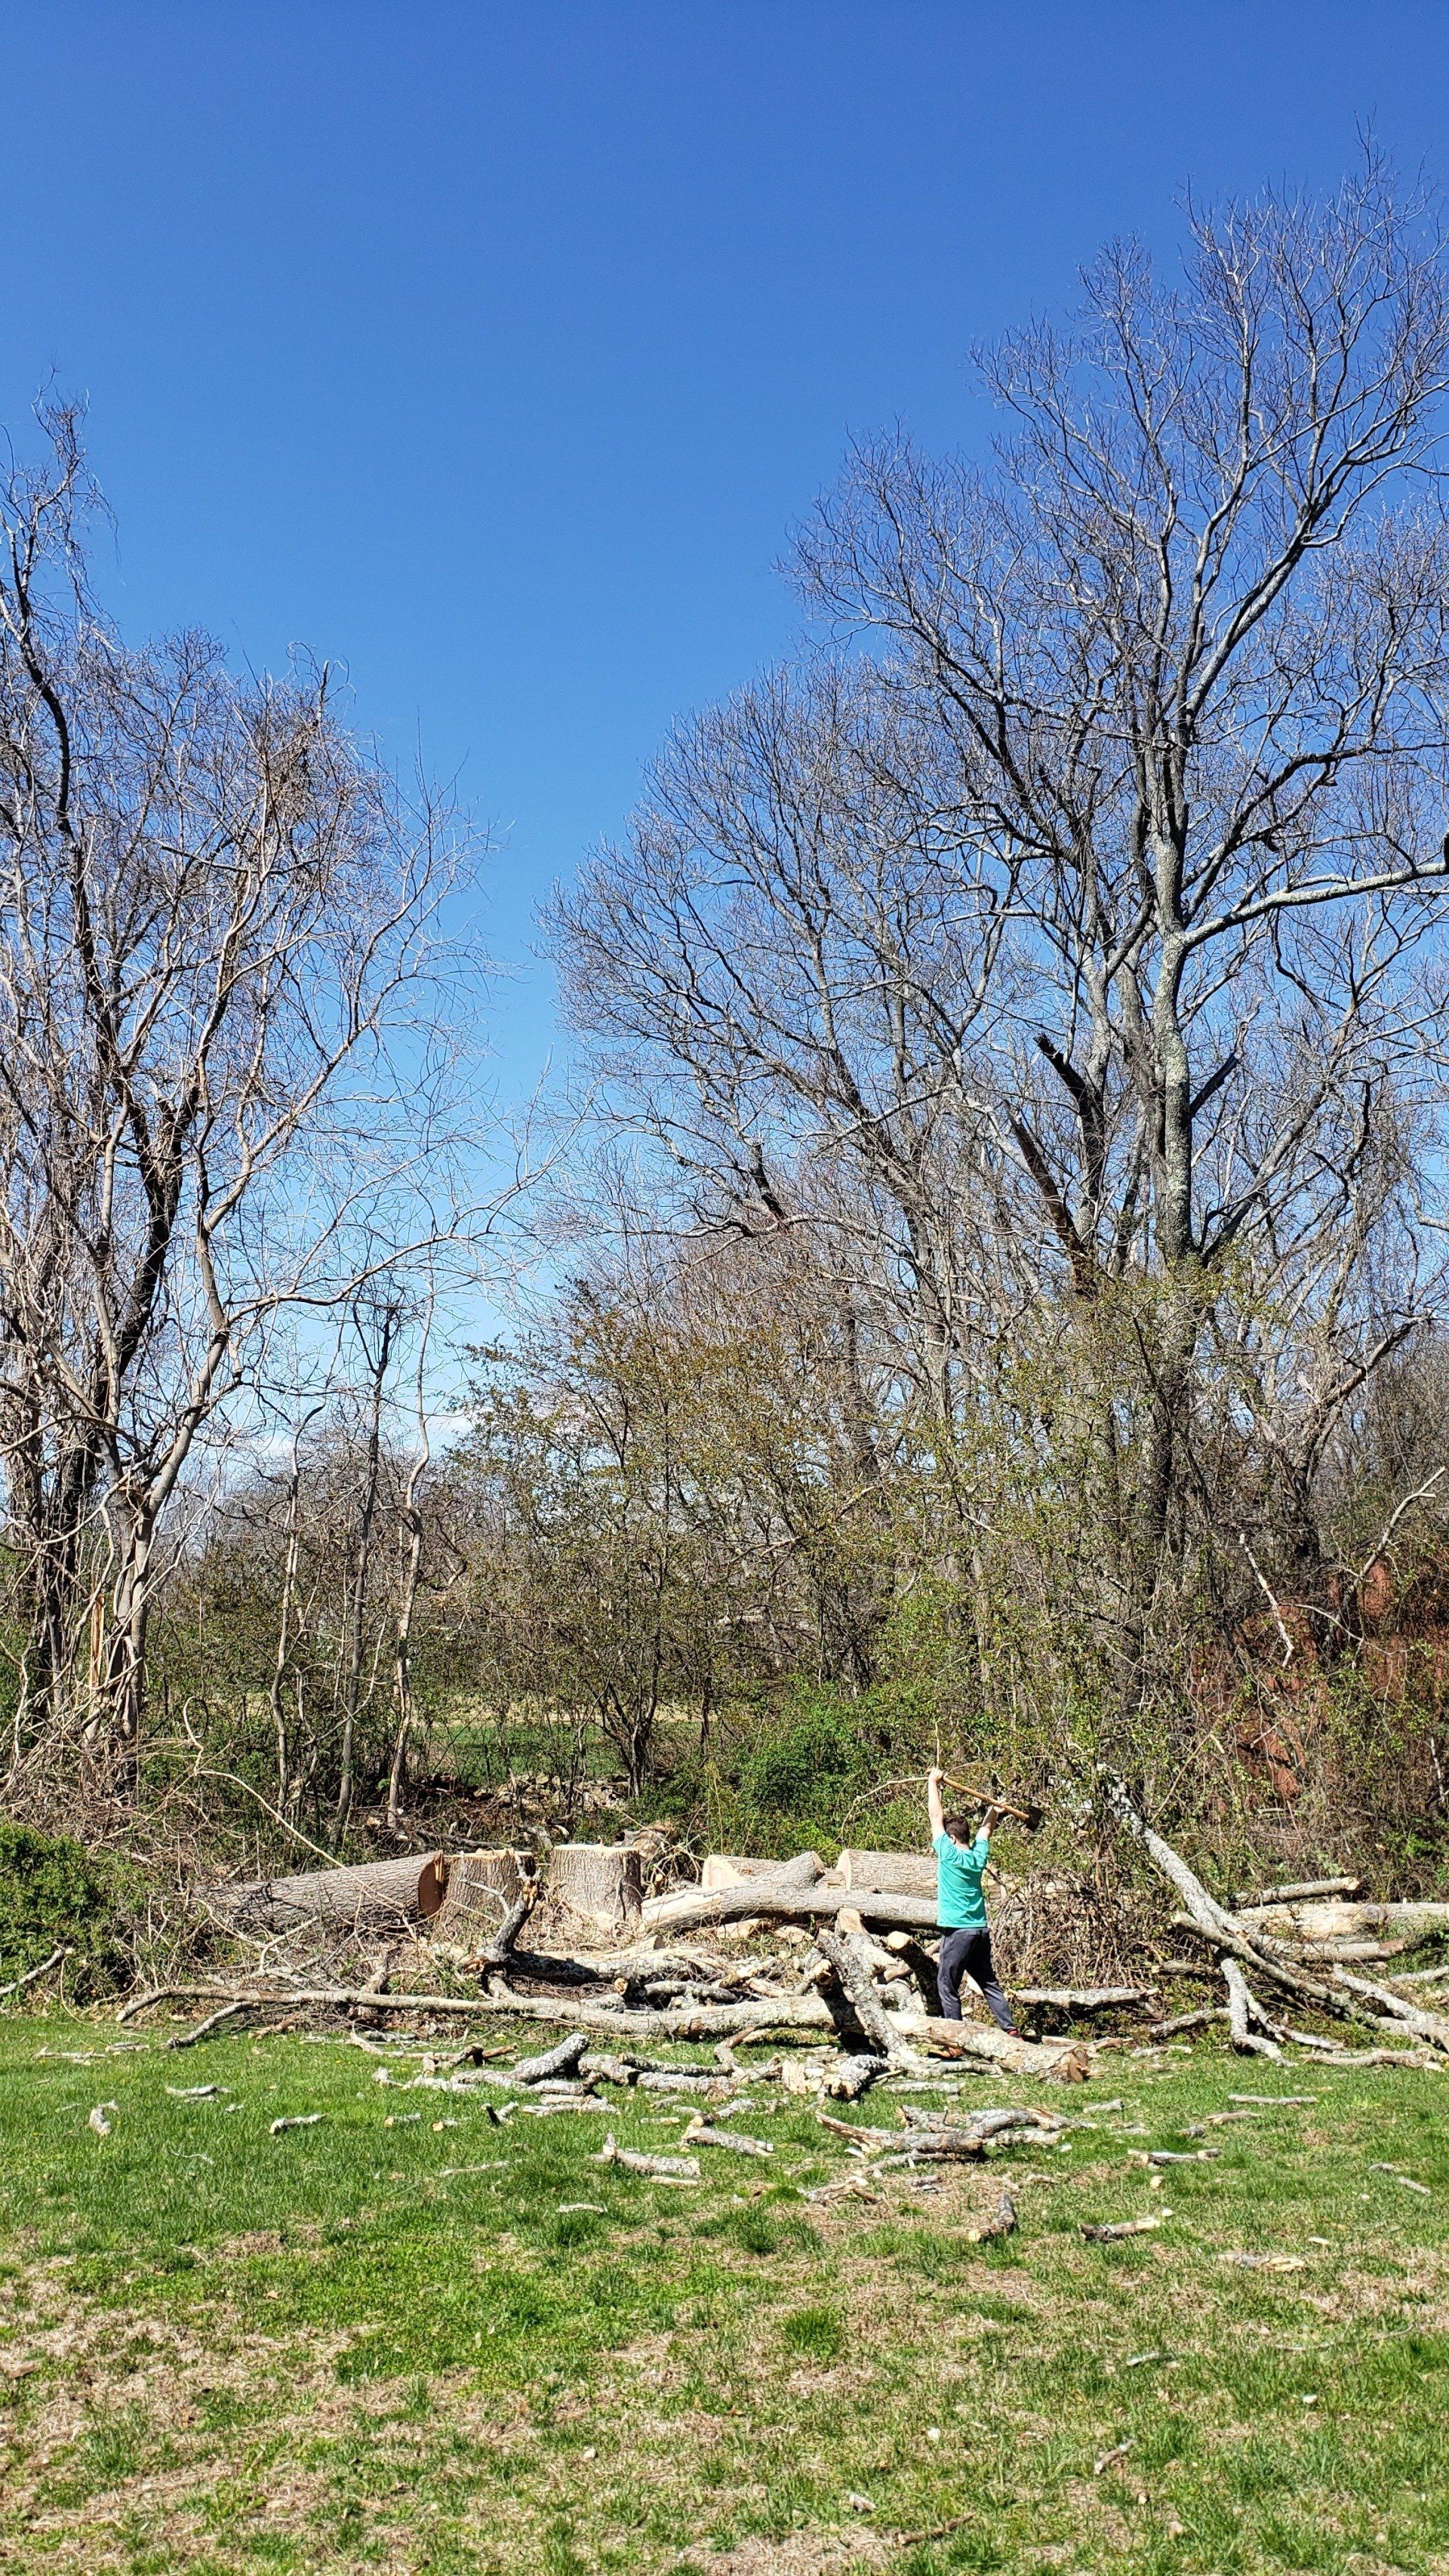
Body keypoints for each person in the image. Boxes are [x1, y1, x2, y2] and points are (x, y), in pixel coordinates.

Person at [926, 1767, 1017, 2034]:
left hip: (958, 1932)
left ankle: (955, 2040)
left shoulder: (949, 1854)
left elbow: (935, 1816)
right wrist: (994, 1811)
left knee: (947, 1985)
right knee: (988, 1982)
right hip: (980, 1931)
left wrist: (932, 1782)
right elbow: (985, 1831)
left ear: (952, 1838)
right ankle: (1010, 2029)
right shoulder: (977, 1858)